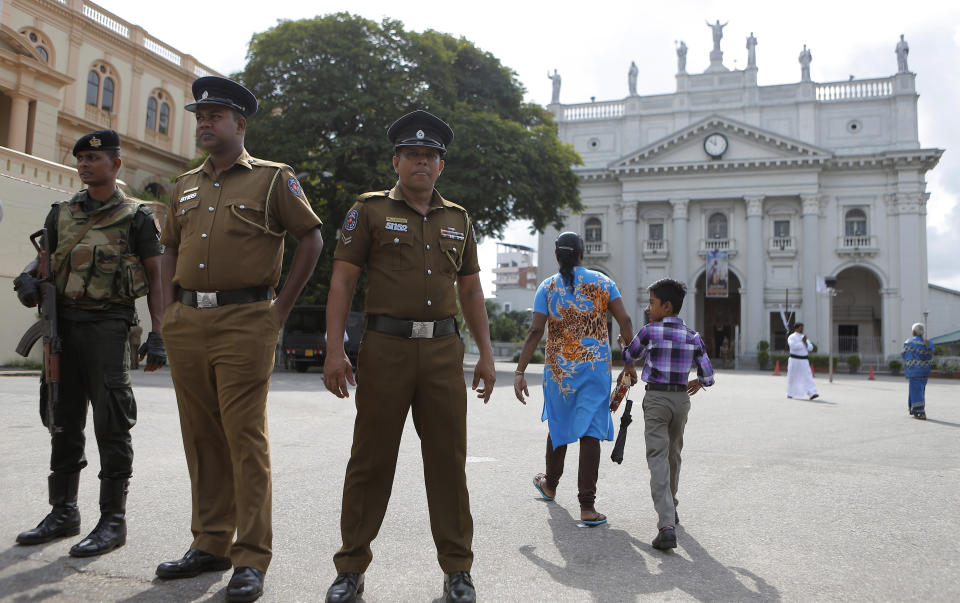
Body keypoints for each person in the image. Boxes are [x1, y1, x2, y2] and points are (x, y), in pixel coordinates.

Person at [155, 76, 324, 603]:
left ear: (240, 124)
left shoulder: (274, 180)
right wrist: (163, 314)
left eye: (216, 116)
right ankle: (209, 542)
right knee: (200, 436)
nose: (205, 123)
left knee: (244, 437)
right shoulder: (182, 185)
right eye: (200, 116)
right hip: (188, 322)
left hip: (246, 320)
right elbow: (165, 249)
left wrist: (280, 310)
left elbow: (311, 237)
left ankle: (250, 557)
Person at [322, 109, 496, 603]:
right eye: (413, 155)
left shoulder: (458, 219)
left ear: (441, 165)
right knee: (371, 461)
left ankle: (458, 571)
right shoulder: (370, 210)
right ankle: (350, 567)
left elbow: (471, 291)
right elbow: (342, 280)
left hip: (443, 351)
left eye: (430, 156)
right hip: (386, 349)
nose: (422, 162)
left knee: (447, 462)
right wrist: (334, 349)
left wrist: (485, 354)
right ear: (396, 161)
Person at [12, 129, 166, 557]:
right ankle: (63, 511)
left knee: (112, 424)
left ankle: (112, 520)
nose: (84, 164)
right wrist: (29, 279)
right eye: (80, 158)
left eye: (94, 159)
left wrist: (158, 335)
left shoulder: (136, 217)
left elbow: (157, 278)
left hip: (108, 327)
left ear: (115, 165)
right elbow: (46, 262)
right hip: (61, 329)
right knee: (61, 418)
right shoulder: (60, 213)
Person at [514, 232, 635, 527]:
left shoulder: (547, 286)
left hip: (560, 372)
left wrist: (520, 371)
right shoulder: (603, 282)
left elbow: (534, 332)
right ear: (582, 254)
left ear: (557, 256)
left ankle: (550, 484)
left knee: (559, 423)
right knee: (590, 431)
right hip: (595, 370)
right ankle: (587, 506)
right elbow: (626, 321)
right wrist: (630, 364)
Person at [621, 278, 714, 550]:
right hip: (681, 400)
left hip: (657, 398)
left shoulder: (650, 331)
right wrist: (698, 382)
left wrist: (622, 344)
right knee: (674, 454)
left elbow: (630, 355)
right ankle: (671, 507)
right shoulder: (693, 336)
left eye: (652, 303)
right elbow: (707, 375)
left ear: (667, 305)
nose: (649, 308)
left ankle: (666, 525)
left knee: (658, 458)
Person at [902, 323, 933, 420]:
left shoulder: (909, 342)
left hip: (914, 370)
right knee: (920, 390)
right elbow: (930, 356)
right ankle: (914, 410)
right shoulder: (928, 343)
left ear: (913, 331)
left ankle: (920, 413)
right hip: (925, 371)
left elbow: (904, 355)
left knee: (915, 391)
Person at [786, 322, 818, 400]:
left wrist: (805, 343)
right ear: (796, 328)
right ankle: (790, 393)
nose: (802, 329)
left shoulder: (804, 337)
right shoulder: (791, 337)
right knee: (792, 377)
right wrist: (802, 343)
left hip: (804, 360)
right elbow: (793, 347)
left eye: (802, 327)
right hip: (794, 360)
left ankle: (812, 392)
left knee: (808, 376)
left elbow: (811, 348)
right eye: (800, 327)